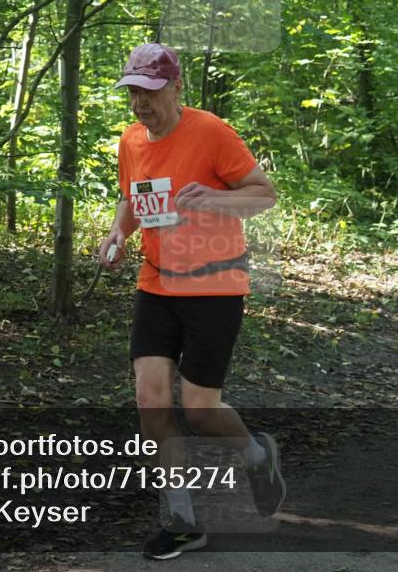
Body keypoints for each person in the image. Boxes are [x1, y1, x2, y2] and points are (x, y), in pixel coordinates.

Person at [99, 42, 286, 560]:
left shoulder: (211, 132)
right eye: (134, 92)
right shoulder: (131, 139)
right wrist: (117, 233)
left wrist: (215, 199)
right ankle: (183, 520)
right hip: (156, 285)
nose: (141, 104)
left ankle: (254, 456)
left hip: (214, 287)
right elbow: (133, 198)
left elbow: (264, 194)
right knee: (150, 401)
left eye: (151, 92)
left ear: (177, 87)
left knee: (201, 411)